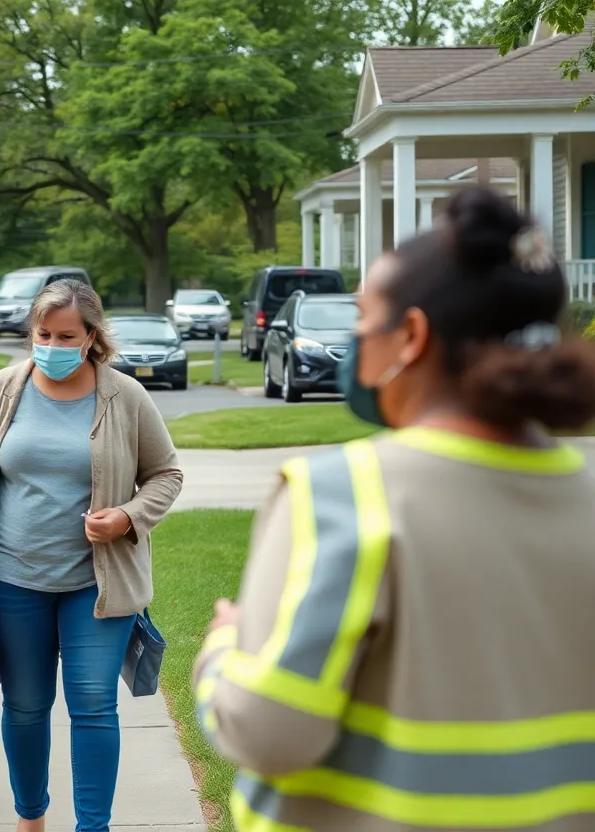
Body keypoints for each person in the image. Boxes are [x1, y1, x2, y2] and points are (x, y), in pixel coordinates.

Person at [193, 186, 595, 831]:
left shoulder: (341, 496)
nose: (354, 339)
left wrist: (223, 648)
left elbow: (271, 735)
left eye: (362, 317)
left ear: (410, 336)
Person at [0, 279, 184, 832]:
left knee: (94, 705)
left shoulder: (125, 396)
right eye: (43, 334)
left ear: (91, 337)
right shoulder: (2, 390)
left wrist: (127, 516)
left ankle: (93, 827)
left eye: (66, 336)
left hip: (97, 586)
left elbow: (166, 474)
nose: (52, 346)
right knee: (26, 706)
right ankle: (30, 816)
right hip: (15, 580)